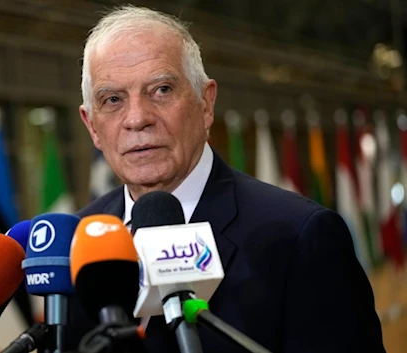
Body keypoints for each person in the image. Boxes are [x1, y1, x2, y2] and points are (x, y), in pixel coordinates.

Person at [65, 4, 386, 353]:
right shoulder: (73, 244)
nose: (138, 118)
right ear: (92, 126)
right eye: (113, 99)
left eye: (161, 90)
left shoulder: (299, 237)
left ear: (206, 103)